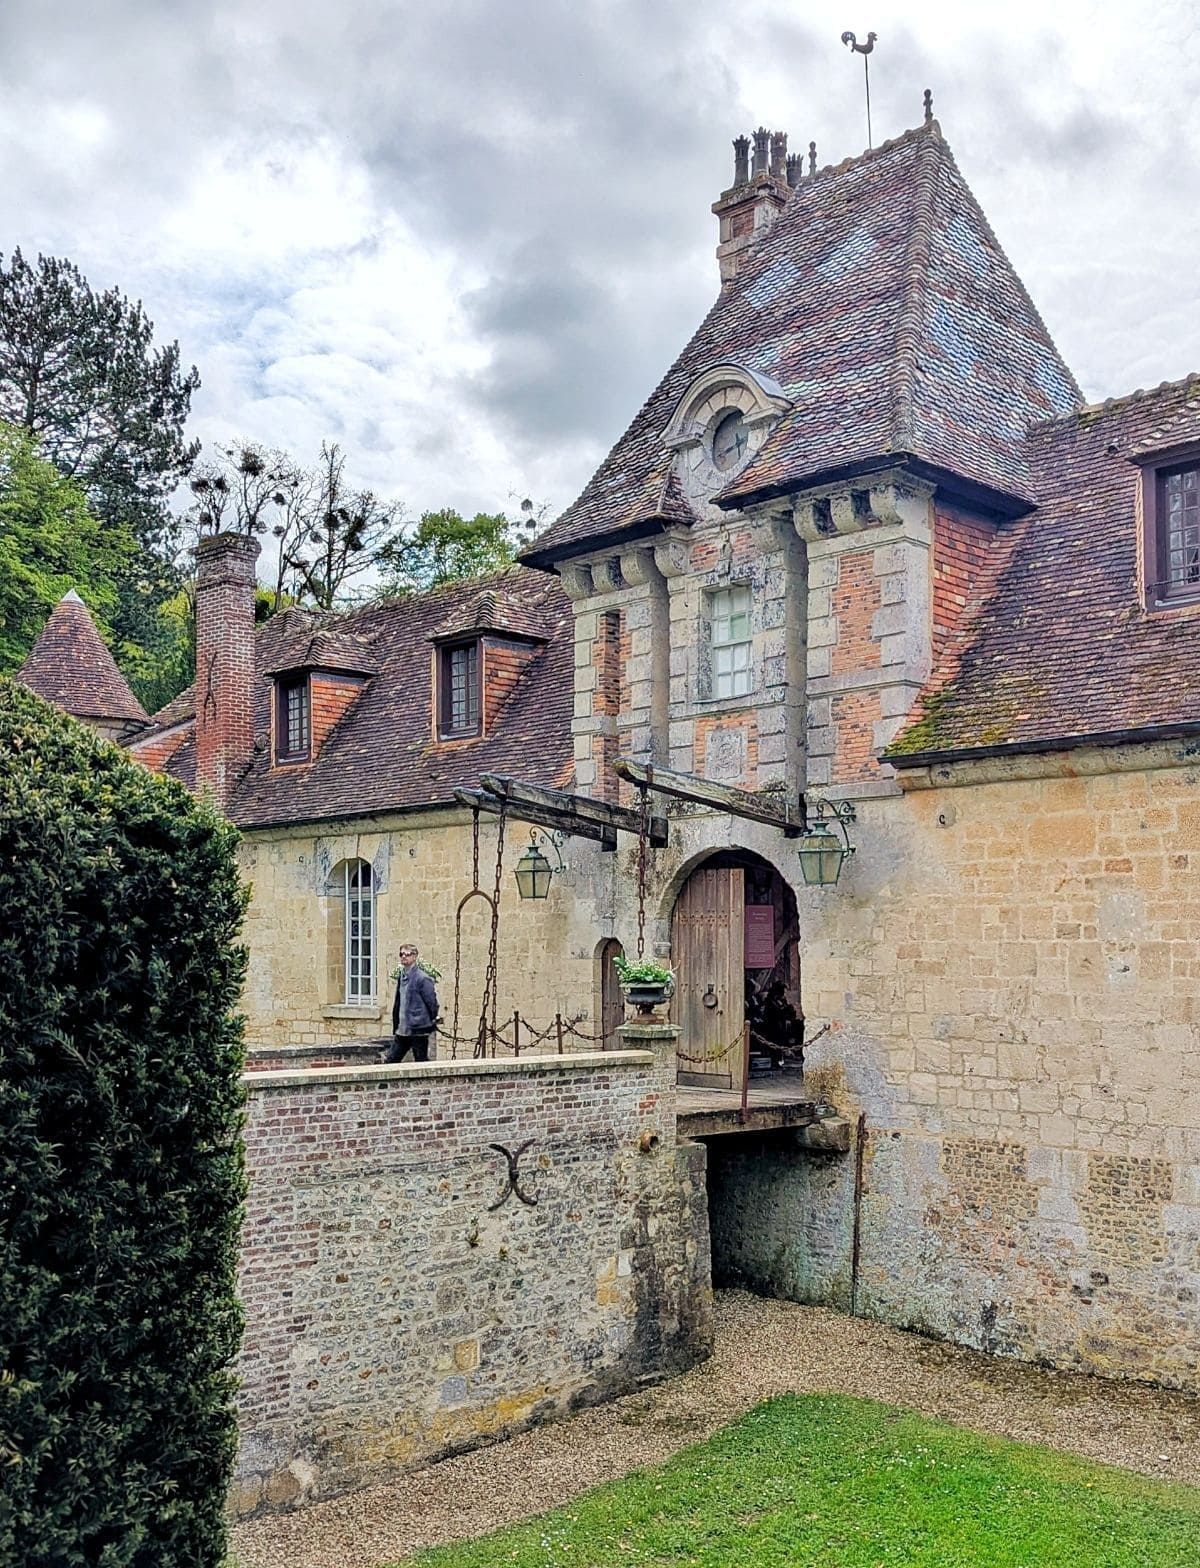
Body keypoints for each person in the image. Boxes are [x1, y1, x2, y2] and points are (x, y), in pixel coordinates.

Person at [382, 943, 439, 1063]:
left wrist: (428, 1020)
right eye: (401, 954)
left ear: (414, 957)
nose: (403, 957)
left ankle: (425, 1082)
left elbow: (432, 1003)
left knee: (421, 1061)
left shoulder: (422, 978)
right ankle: (384, 1083)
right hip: (402, 1030)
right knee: (391, 1061)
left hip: (418, 1029)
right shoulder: (402, 977)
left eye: (407, 954)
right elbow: (398, 1002)